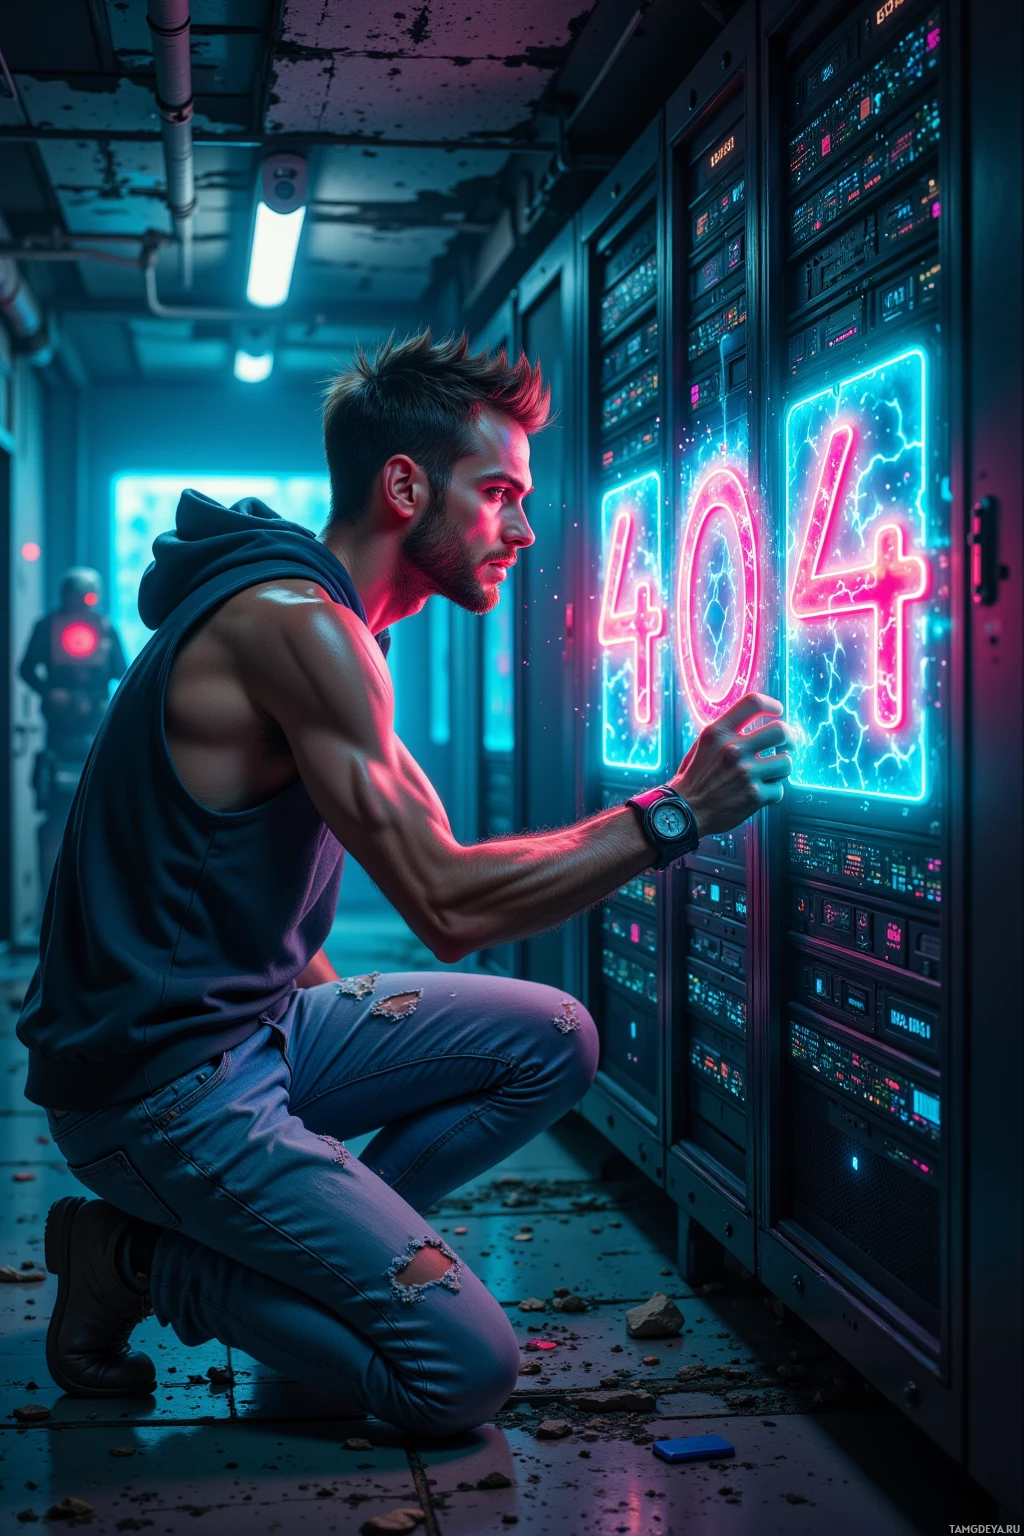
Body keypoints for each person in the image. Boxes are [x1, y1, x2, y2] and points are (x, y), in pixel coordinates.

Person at [17, 332, 793, 1434]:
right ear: (403, 486)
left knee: (555, 1036)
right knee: (460, 1375)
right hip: (157, 1094)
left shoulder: (326, 624)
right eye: (499, 494)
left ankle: (315, 1263)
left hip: (248, 1038)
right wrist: (674, 815)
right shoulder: (302, 632)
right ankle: (134, 1262)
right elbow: (446, 904)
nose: (522, 528)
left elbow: (370, 880)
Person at [18, 567, 127, 891]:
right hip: (60, 737)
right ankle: (49, 901)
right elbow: (26, 669)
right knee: (55, 818)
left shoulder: (105, 628)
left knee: (95, 818)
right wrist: (52, 693)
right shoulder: (48, 626)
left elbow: (120, 670)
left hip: (95, 734)